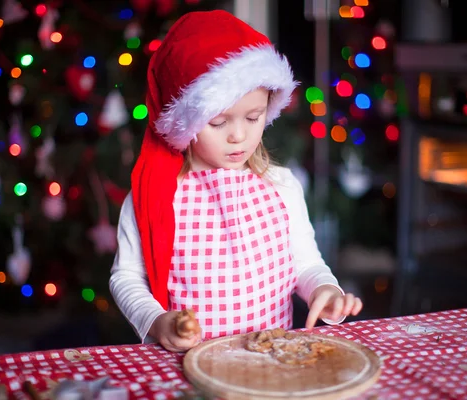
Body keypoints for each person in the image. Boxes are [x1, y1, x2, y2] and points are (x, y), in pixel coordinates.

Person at [110, 10, 362, 353]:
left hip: (272, 361)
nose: (239, 136)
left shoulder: (282, 187)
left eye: (254, 117)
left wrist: (323, 289)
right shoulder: (155, 198)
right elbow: (126, 277)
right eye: (218, 122)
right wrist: (155, 319)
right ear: (187, 120)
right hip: (192, 366)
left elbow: (305, 262)